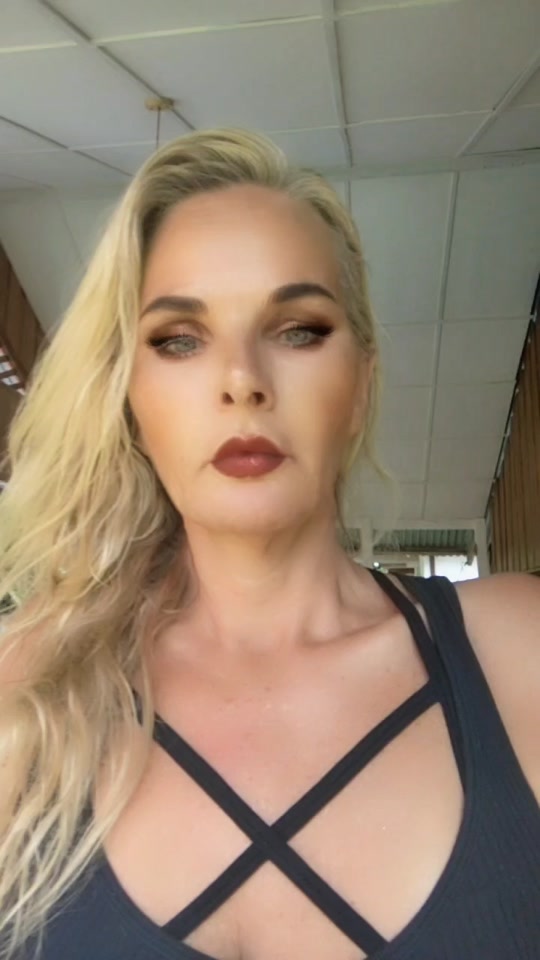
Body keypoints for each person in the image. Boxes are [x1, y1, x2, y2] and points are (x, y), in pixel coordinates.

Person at [0, 128, 538, 960]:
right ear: (130, 398)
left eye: (298, 329)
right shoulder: (28, 691)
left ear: (360, 385)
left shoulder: (517, 653)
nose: (242, 380)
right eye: (179, 339)